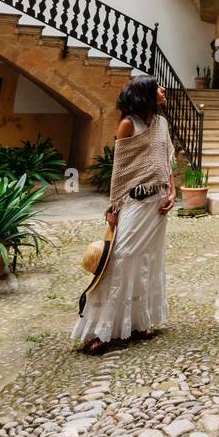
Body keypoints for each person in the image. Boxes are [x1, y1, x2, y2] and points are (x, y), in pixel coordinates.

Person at [72, 76, 176, 354]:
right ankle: (102, 330)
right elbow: (120, 170)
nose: (163, 90)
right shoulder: (128, 124)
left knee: (149, 259)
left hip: (158, 203)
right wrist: (114, 208)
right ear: (144, 94)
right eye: (157, 88)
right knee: (121, 257)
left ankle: (139, 323)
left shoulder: (162, 124)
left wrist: (172, 192)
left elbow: (167, 161)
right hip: (135, 203)